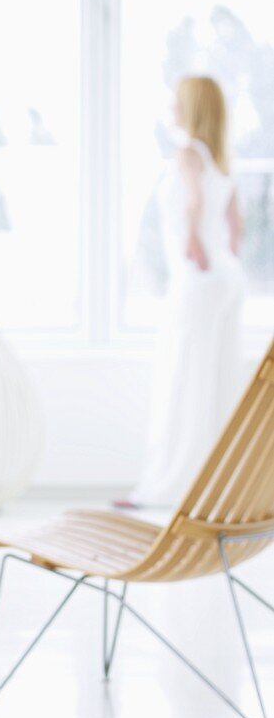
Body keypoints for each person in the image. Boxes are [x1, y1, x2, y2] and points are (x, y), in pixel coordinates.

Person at [125, 75, 245, 509]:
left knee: (184, 378)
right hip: (226, 279)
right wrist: (217, 251)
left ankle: (172, 483)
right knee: (214, 379)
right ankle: (213, 484)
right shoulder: (221, 160)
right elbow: (237, 226)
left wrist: (192, 240)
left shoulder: (187, 154)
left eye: (178, 101)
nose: (172, 107)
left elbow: (193, 203)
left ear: (191, 107)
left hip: (197, 277)